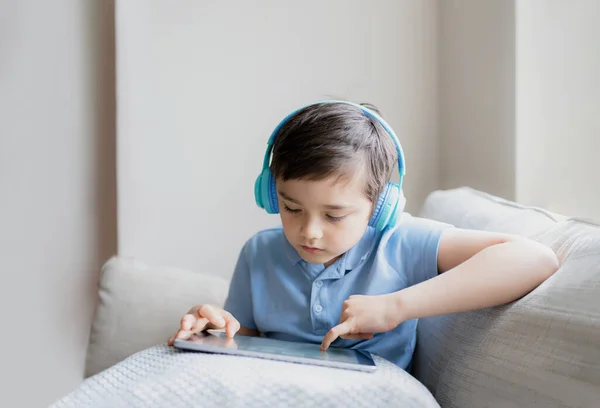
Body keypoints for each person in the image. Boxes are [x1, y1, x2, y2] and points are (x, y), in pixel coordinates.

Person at [168, 100, 559, 370]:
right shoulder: (260, 251)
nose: (310, 231)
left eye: (335, 215)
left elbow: (534, 259)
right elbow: (245, 338)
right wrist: (215, 328)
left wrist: (396, 307)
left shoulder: (402, 242)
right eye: (291, 208)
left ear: (380, 206)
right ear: (271, 195)